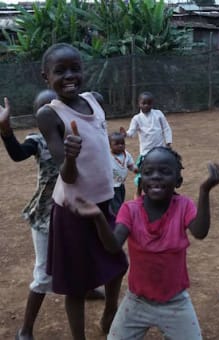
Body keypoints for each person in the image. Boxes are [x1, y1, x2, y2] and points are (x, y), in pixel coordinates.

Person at [64, 146, 219, 340]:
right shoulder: (130, 210)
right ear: (141, 179)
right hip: (138, 300)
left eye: (165, 172)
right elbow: (113, 246)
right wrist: (98, 217)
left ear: (178, 181)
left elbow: (200, 231)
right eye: (148, 172)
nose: (155, 176)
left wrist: (204, 190)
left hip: (175, 301)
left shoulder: (184, 206)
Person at [35, 43, 128, 339]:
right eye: (59, 71)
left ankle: (110, 310)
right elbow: (67, 174)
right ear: (45, 77)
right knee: (76, 285)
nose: (69, 76)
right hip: (73, 210)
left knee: (118, 264)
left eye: (75, 68)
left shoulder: (95, 100)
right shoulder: (49, 115)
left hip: (104, 202)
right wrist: (71, 155)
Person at [0, 91, 106, 340]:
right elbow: (17, 154)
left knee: (86, 255)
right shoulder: (38, 140)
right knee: (44, 273)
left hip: (77, 209)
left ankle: (88, 288)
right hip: (47, 215)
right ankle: (25, 329)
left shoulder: (77, 134)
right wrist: (6, 130)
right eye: (47, 109)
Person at [120, 91, 172, 197]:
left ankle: (163, 192)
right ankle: (138, 192)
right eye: (144, 103)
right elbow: (132, 132)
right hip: (145, 152)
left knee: (161, 172)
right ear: (139, 103)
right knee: (142, 174)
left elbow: (166, 128)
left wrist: (168, 142)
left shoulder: (158, 114)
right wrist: (125, 134)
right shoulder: (137, 118)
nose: (146, 105)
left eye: (149, 103)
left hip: (160, 150)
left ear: (152, 104)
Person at [109, 131, 138, 215]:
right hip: (112, 186)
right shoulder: (107, 156)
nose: (120, 145)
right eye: (117, 144)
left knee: (120, 201)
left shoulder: (126, 154)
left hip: (121, 184)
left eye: (122, 143)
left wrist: (135, 169)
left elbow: (130, 165)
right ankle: (117, 220)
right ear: (110, 145)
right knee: (116, 206)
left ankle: (117, 215)